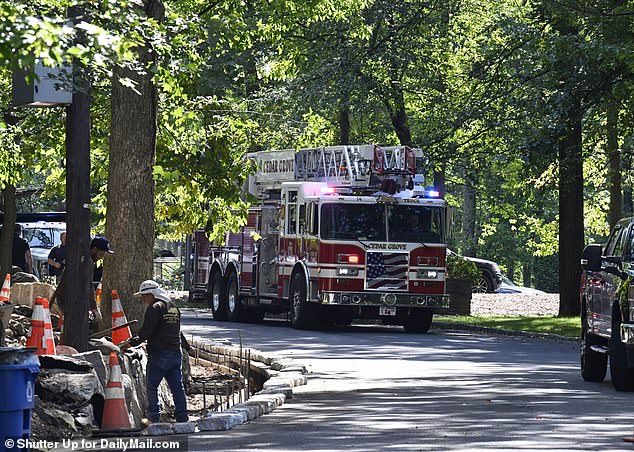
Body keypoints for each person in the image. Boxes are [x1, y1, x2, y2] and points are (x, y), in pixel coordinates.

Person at [127, 280, 188, 424]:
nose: (143, 300)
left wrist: (131, 342)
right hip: (175, 352)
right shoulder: (173, 308)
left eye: (144, 296)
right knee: (177, 387)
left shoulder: (154, 308)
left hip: (160, 353)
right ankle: (182, 417)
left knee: (152, 386)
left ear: (151, 294)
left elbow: (147, 331)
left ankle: (153, 418)